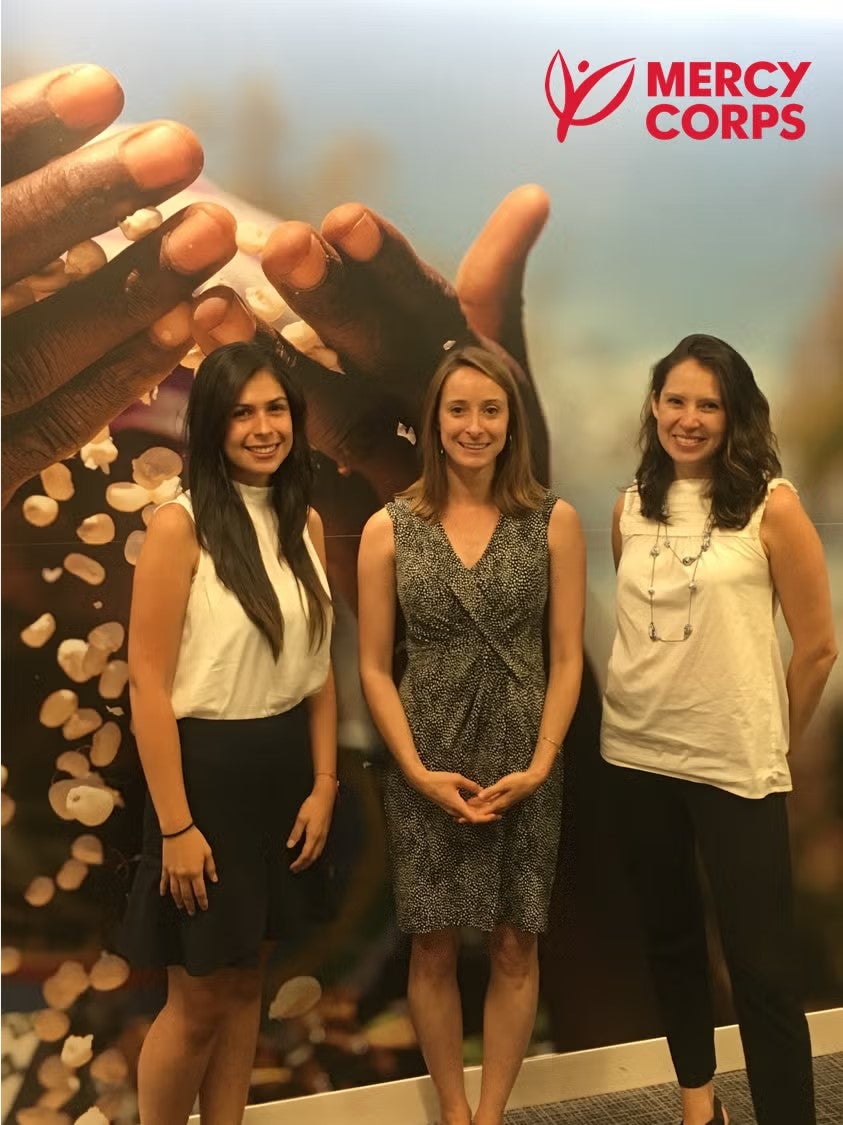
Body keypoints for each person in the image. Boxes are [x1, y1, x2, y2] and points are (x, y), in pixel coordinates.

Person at [601, 334, 838, 1125]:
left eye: (707, 403)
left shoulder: (774, 504)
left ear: (733, 413)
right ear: (654, 407)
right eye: (675, 400)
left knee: (763, 969)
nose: (689, 417)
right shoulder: (629, 506)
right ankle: (698, 1108)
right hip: (635, 754)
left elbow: (818, 646)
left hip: (737, 762)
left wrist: (774, 736)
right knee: (671, 944)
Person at [357, 344, 586, 1125]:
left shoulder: (553, 520)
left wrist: (542, 761)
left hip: (528, 758)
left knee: (518, 939)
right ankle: (453, 1112)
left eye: (490, 409)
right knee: (431, 940)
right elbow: (375, 668)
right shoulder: (387, 528)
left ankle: (491, 1113)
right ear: (433, 420)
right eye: (459, 408)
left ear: (510, 422)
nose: (474, 425)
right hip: (426, 758)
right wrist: (417, 771)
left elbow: (564, 656)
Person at [121, 339, 337, 1125]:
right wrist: (176, 823)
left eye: (275, 407)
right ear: (211, 425)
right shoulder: (178, 526)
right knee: (200, 997)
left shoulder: (303, 523)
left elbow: (317, 669)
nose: (262, 426)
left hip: (284, 775)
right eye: (241, 412)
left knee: (249, 985)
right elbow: (146, 683)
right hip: (202, 777)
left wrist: (323, 783)